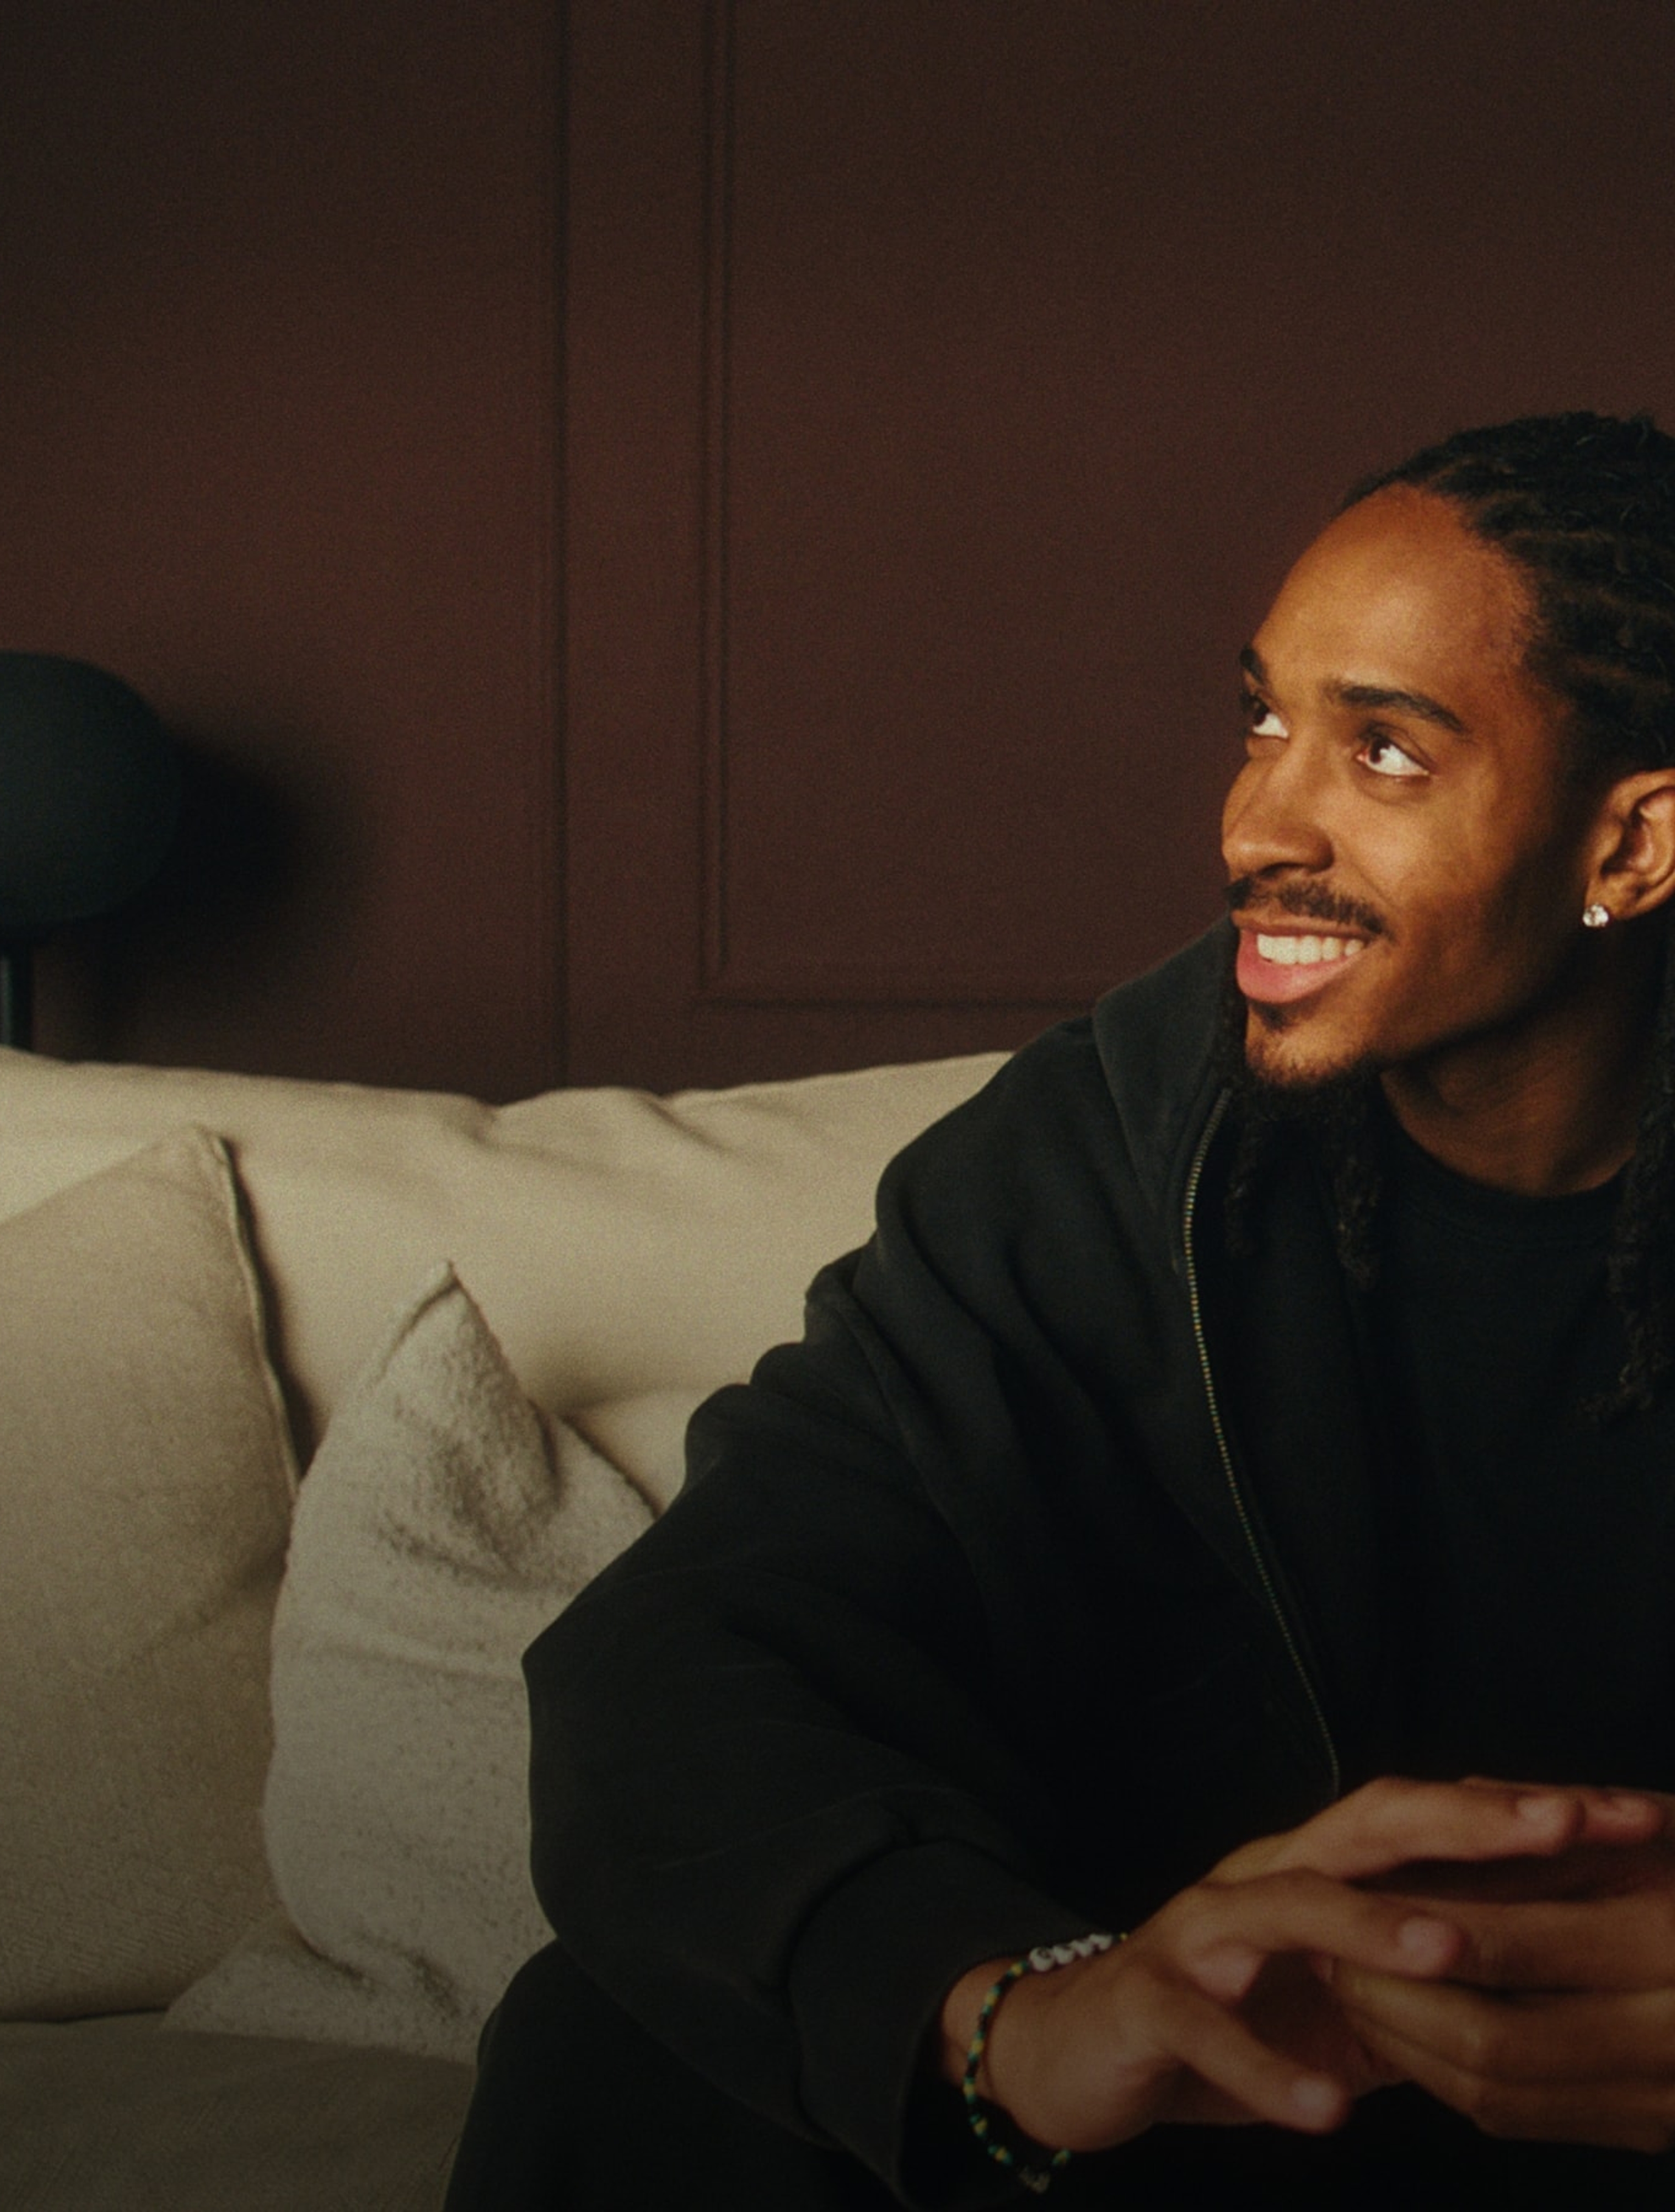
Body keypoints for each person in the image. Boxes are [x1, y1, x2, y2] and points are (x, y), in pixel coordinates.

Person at [445, 412, 1675, 2208]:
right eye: (1265, 716)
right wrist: (1013, 2010)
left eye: (1386, 751)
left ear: (1635, 845)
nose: (1259, 821)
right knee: (613, 2044)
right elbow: (693, 1648)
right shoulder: (1132, 1133)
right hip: (1242, 2101)